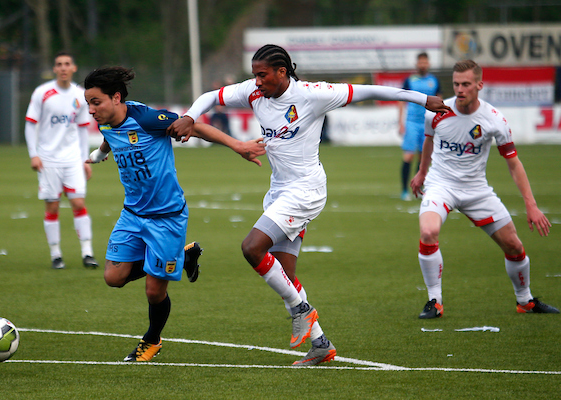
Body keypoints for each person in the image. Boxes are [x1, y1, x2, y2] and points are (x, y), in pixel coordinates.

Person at [168, 44, 451, 366]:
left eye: (262, 75)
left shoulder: (313, 94)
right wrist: (190, 116)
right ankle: (320, 344)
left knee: (251, 248)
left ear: (282, 72)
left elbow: (370, 91)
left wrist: (423, 99)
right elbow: (210, 97)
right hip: (279, 191)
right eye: (254, 75)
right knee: (285, 275)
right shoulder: (253, 91)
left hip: (305, 191)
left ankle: (301, 311)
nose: (257, 81)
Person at [84, 66, 266, 362]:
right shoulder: (105, 122)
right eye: (88, 103)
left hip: (166, 217)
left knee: (154, 292)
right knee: (113, 277)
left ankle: (152, 340)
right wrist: (100, 154)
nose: (91, 110)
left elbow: (194, 126)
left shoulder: (146, 119)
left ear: (116, 98)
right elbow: (109, 137)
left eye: (96, 102)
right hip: (132, 214)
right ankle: (179, 257)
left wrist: (237, 145)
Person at [410, 59, 558, 319]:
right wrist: (422, 172)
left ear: (479, 85)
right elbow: (428, 142)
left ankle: (525, 300)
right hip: (441, 185)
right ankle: (435, 301)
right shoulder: (436, 112)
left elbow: (513, 163)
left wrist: (531, 205)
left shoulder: (494, 120)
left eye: (466, 84)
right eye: (456, 84)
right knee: (428, 231)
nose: (460, 89)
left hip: (476, 190)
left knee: (513, 245)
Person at [25, 51, 99, 270]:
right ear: (54, 69)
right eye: (59, 64)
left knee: (79, 203)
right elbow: (30, 124)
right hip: (48, 159)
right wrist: (33, 154)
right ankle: (56, 254)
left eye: (67, 64)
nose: (63, 68)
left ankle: (87, 253)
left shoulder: (80, 95)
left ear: (73, 68)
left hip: (73, 159)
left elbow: (83, 129)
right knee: (53, 206)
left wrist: (85, 160)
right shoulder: (42, 93)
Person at [398, 52, 441, 201]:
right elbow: (401, 101)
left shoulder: (434, 81)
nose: (423, 65)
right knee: (408, 156)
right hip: (411, 122)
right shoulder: (410, 80)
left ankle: (418, 188)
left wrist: (439, 121)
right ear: (417, 64)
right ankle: (404, 190)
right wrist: (400, 122)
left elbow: (439, 101)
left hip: (427, 123)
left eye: (425, 62)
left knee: (423, 158)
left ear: (428, 64)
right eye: (420, 62)